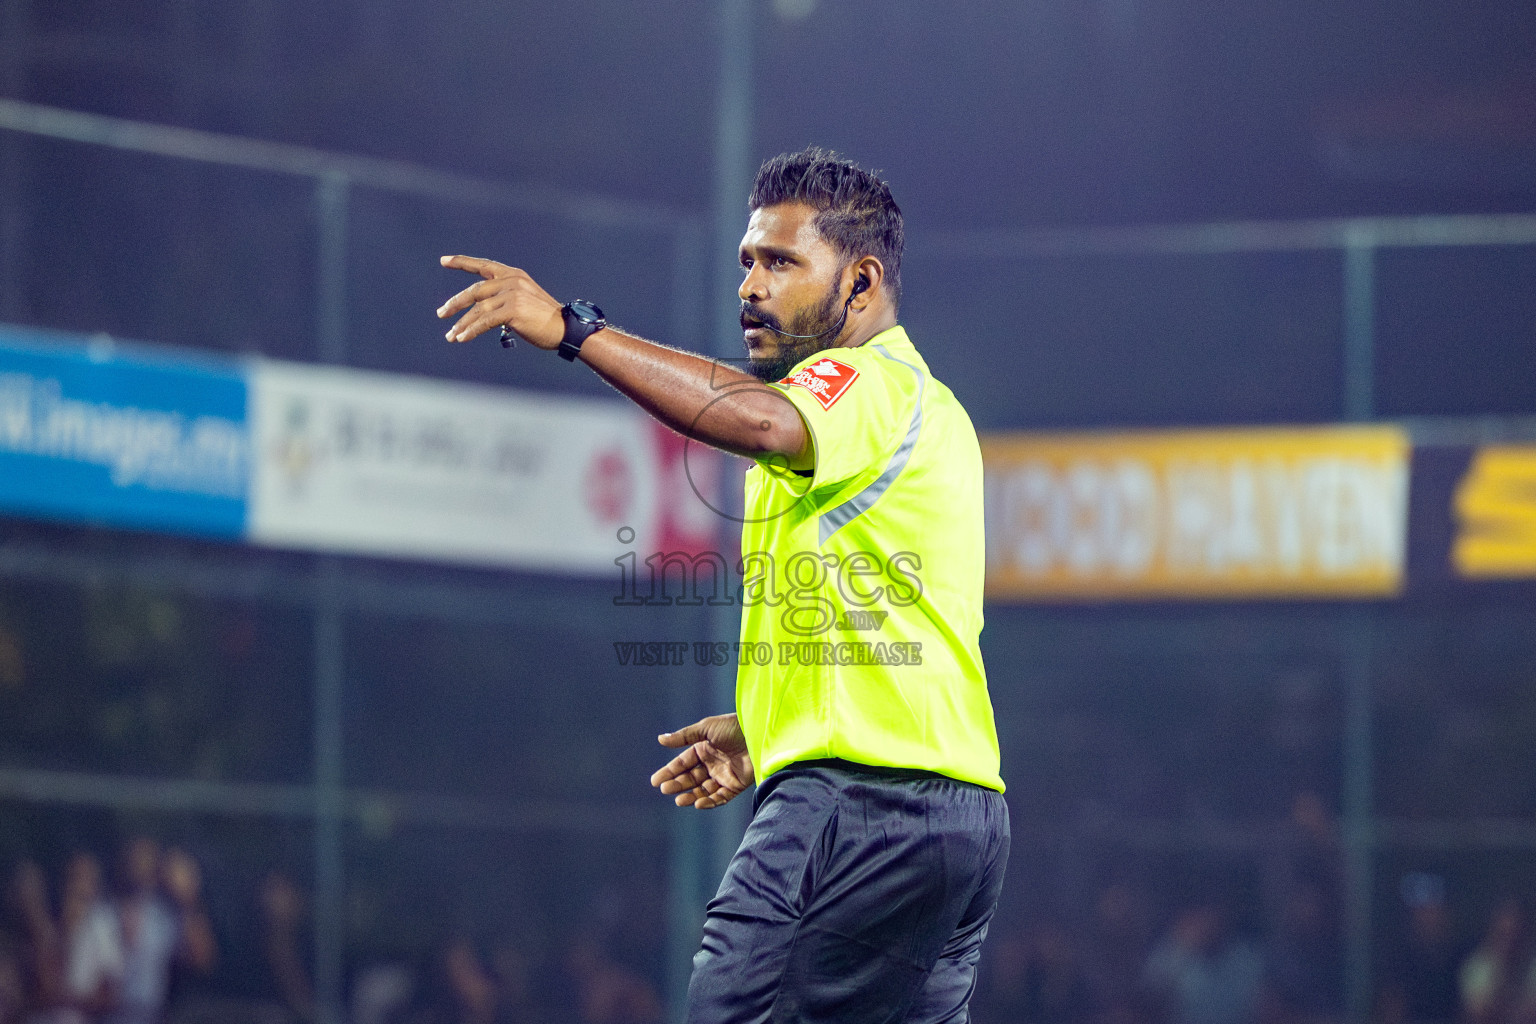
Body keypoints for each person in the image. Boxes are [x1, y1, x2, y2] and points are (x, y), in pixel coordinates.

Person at [436, 147, 1009, 1023]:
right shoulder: (928, 412)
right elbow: (898, 619)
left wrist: (575, 328)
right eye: (747, 260)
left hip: (856, 804)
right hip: (961, 817)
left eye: (781, 262)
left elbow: (755, 413)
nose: (751, 285)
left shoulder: (864, 381)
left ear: (860, 282)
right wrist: (770, 726)